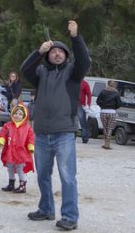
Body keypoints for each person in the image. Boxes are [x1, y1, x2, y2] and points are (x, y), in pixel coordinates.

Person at [21, 20, 90, 231]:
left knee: (67, 176)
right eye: (53, 52)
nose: (57, 54)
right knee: (42, 174)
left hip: (64, 133)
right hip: (41, 133)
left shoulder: (73, 73)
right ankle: (46, 209)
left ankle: (69, 217)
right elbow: (25, 70)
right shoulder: (41, 73)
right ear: (49, 55)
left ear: (66, 56)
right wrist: (38, 52)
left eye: (61, 52)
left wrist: (76, 37)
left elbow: (85, 61)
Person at [0, 104, 35, 193]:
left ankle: (22, 185)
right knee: (10, 167)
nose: (17, 115)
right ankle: (11, 183)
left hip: (21, 153)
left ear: (24, 116)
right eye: (15, 113)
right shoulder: (8, 125)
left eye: (20, 114)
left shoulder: (27, 128)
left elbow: (31, 138)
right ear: (12, 114)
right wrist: (1, 141)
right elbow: (2, 134)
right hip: (10, 152)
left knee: (19, 168)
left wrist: (31, 146)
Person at [95, 80, 122, 149]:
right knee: (110, 128)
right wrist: (115, 107)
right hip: (112, 112)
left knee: (105, 128)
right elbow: (119, 104)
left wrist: (102, 106)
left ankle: (105, 143)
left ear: (108, 84)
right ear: (114, 85)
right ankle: (108, 144)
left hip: (103, 111)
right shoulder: (116, 93)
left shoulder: (103, 92)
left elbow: (97, 101)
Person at [77, 79, 92, 144]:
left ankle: (85, 138)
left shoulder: (84, 83)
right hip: (72, 104)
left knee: (82, 123)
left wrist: (88, 104)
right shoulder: (73, 82)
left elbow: (89, 94)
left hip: (80, 105)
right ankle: (71, 137)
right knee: (72, 122)